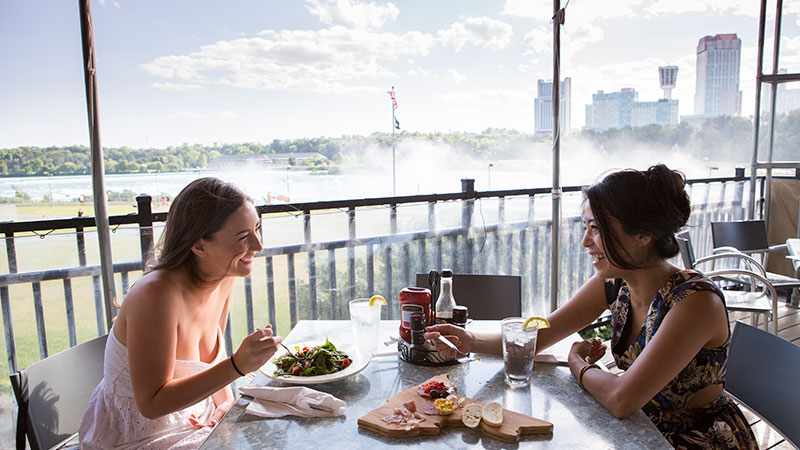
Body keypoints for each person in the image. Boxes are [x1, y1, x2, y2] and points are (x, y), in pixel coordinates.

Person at [426, 164, 758, 449]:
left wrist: (576, 363)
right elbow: (539, 336)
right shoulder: (616, 282)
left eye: (596, 228)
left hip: (689, 440)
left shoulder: (695, 301)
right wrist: (470, 341)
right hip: (639, 431)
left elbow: (621, 399)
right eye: (585, 227)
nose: (585, 242)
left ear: (643, 234)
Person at [79, 177, 282, 449]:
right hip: (137, 437)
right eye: (243, 237)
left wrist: (224, 405)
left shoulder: (224, 275)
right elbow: (151, 403)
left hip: (198, 420)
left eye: (257, 229)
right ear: (199, 246)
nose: (258, 245)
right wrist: (237, 366)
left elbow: (213, 358)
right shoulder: (155, 295)